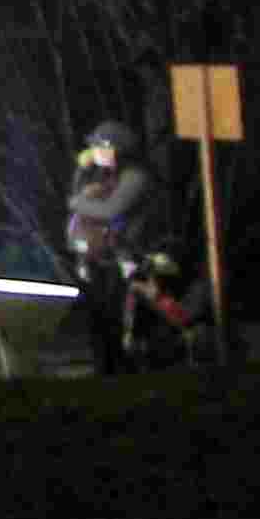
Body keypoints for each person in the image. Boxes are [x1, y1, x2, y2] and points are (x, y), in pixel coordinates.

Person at [62, 118, 166, 375]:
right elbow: (82, 194)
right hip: (105, 259)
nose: (94, 152)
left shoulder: (135, 178)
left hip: (129, 258)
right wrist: (81, 171)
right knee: (98, 317)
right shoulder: (109, 175)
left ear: (115, 149)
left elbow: (111, 210)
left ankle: (120, 369)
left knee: (118, 318)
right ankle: (105, 368)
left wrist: (76, 204)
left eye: (99, 147)